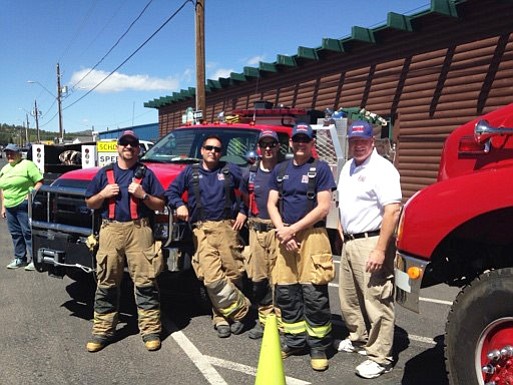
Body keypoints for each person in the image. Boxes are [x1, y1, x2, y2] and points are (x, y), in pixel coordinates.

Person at [84, 130, 166, 353]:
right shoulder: (105, 174)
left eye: (133, 144)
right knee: (107, 280)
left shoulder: (146, 174)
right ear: (118, 147)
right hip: (110, 230)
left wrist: (144, 196)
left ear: (138, 149)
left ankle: (150, 330)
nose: (128, 147)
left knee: (146, 281)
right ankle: (102, 330)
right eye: (124, 143)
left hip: (140, 230)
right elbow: (90, 203)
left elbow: (160, 205)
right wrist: (102, 194)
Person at [267, 122, 336, 372]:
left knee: (314, 293)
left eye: (305, 140)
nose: (300, 144)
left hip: (312, 236)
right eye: (296, 139)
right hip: (285, 236)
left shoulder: (321, 168)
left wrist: (292, 230)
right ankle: (295, 341)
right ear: (291, 142)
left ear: (311, 143)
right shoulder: (281, 169)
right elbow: (272, 203)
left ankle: (318, 347)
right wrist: (283, 231)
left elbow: (324, 207)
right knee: (286, 292)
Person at [166, 134, 250, 338]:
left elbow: (249, 191)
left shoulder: (230, 170)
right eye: (209, 148)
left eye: (217, 149)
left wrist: (243, 211)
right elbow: (171, 192)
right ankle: (237, 312)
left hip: (227, 228)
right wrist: (180, 204)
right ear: (202, 150)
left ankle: (225, 317)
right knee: (211, 277)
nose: (213, 152)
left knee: (234, 272)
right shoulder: (190, 172)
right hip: (201, 230)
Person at [336, 120, 402, 379]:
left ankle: (380, 356)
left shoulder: (382, 169)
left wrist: (380, 250)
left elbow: (393, 209)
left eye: (363, 141)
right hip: (351, 241)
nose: (358, 145)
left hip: (372, 241)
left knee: (376, 299)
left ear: (372, 141)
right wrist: (342, 228)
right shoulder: (348, 168)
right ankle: (359, 338)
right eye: (354, 141)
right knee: (350, 297)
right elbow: (342, 201)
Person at [242, 129, 281, 339]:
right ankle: (265, 320)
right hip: (255, 231)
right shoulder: (250, 173)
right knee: (259, 278)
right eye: (264, 145)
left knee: (281, 279)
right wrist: (241, 213)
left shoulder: (285, 171)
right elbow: (241, 197)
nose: (268, 148)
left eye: (272, 145)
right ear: (259, 148)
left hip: (279, 232)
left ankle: (281, 321)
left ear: (278, 147)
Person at [0, 143, 43, 271]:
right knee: (15, 233)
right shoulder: (4, 169)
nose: (9, 155)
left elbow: (39, 182)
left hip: (23, 205)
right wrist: (3, 206)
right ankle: (20, 258)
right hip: (9, 205)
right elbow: (2, 189)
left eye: (12, 153)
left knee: (27, 232)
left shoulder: (27, 165)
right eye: (7, 153)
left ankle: (34, 260)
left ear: (19, 154)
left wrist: (30, 195)